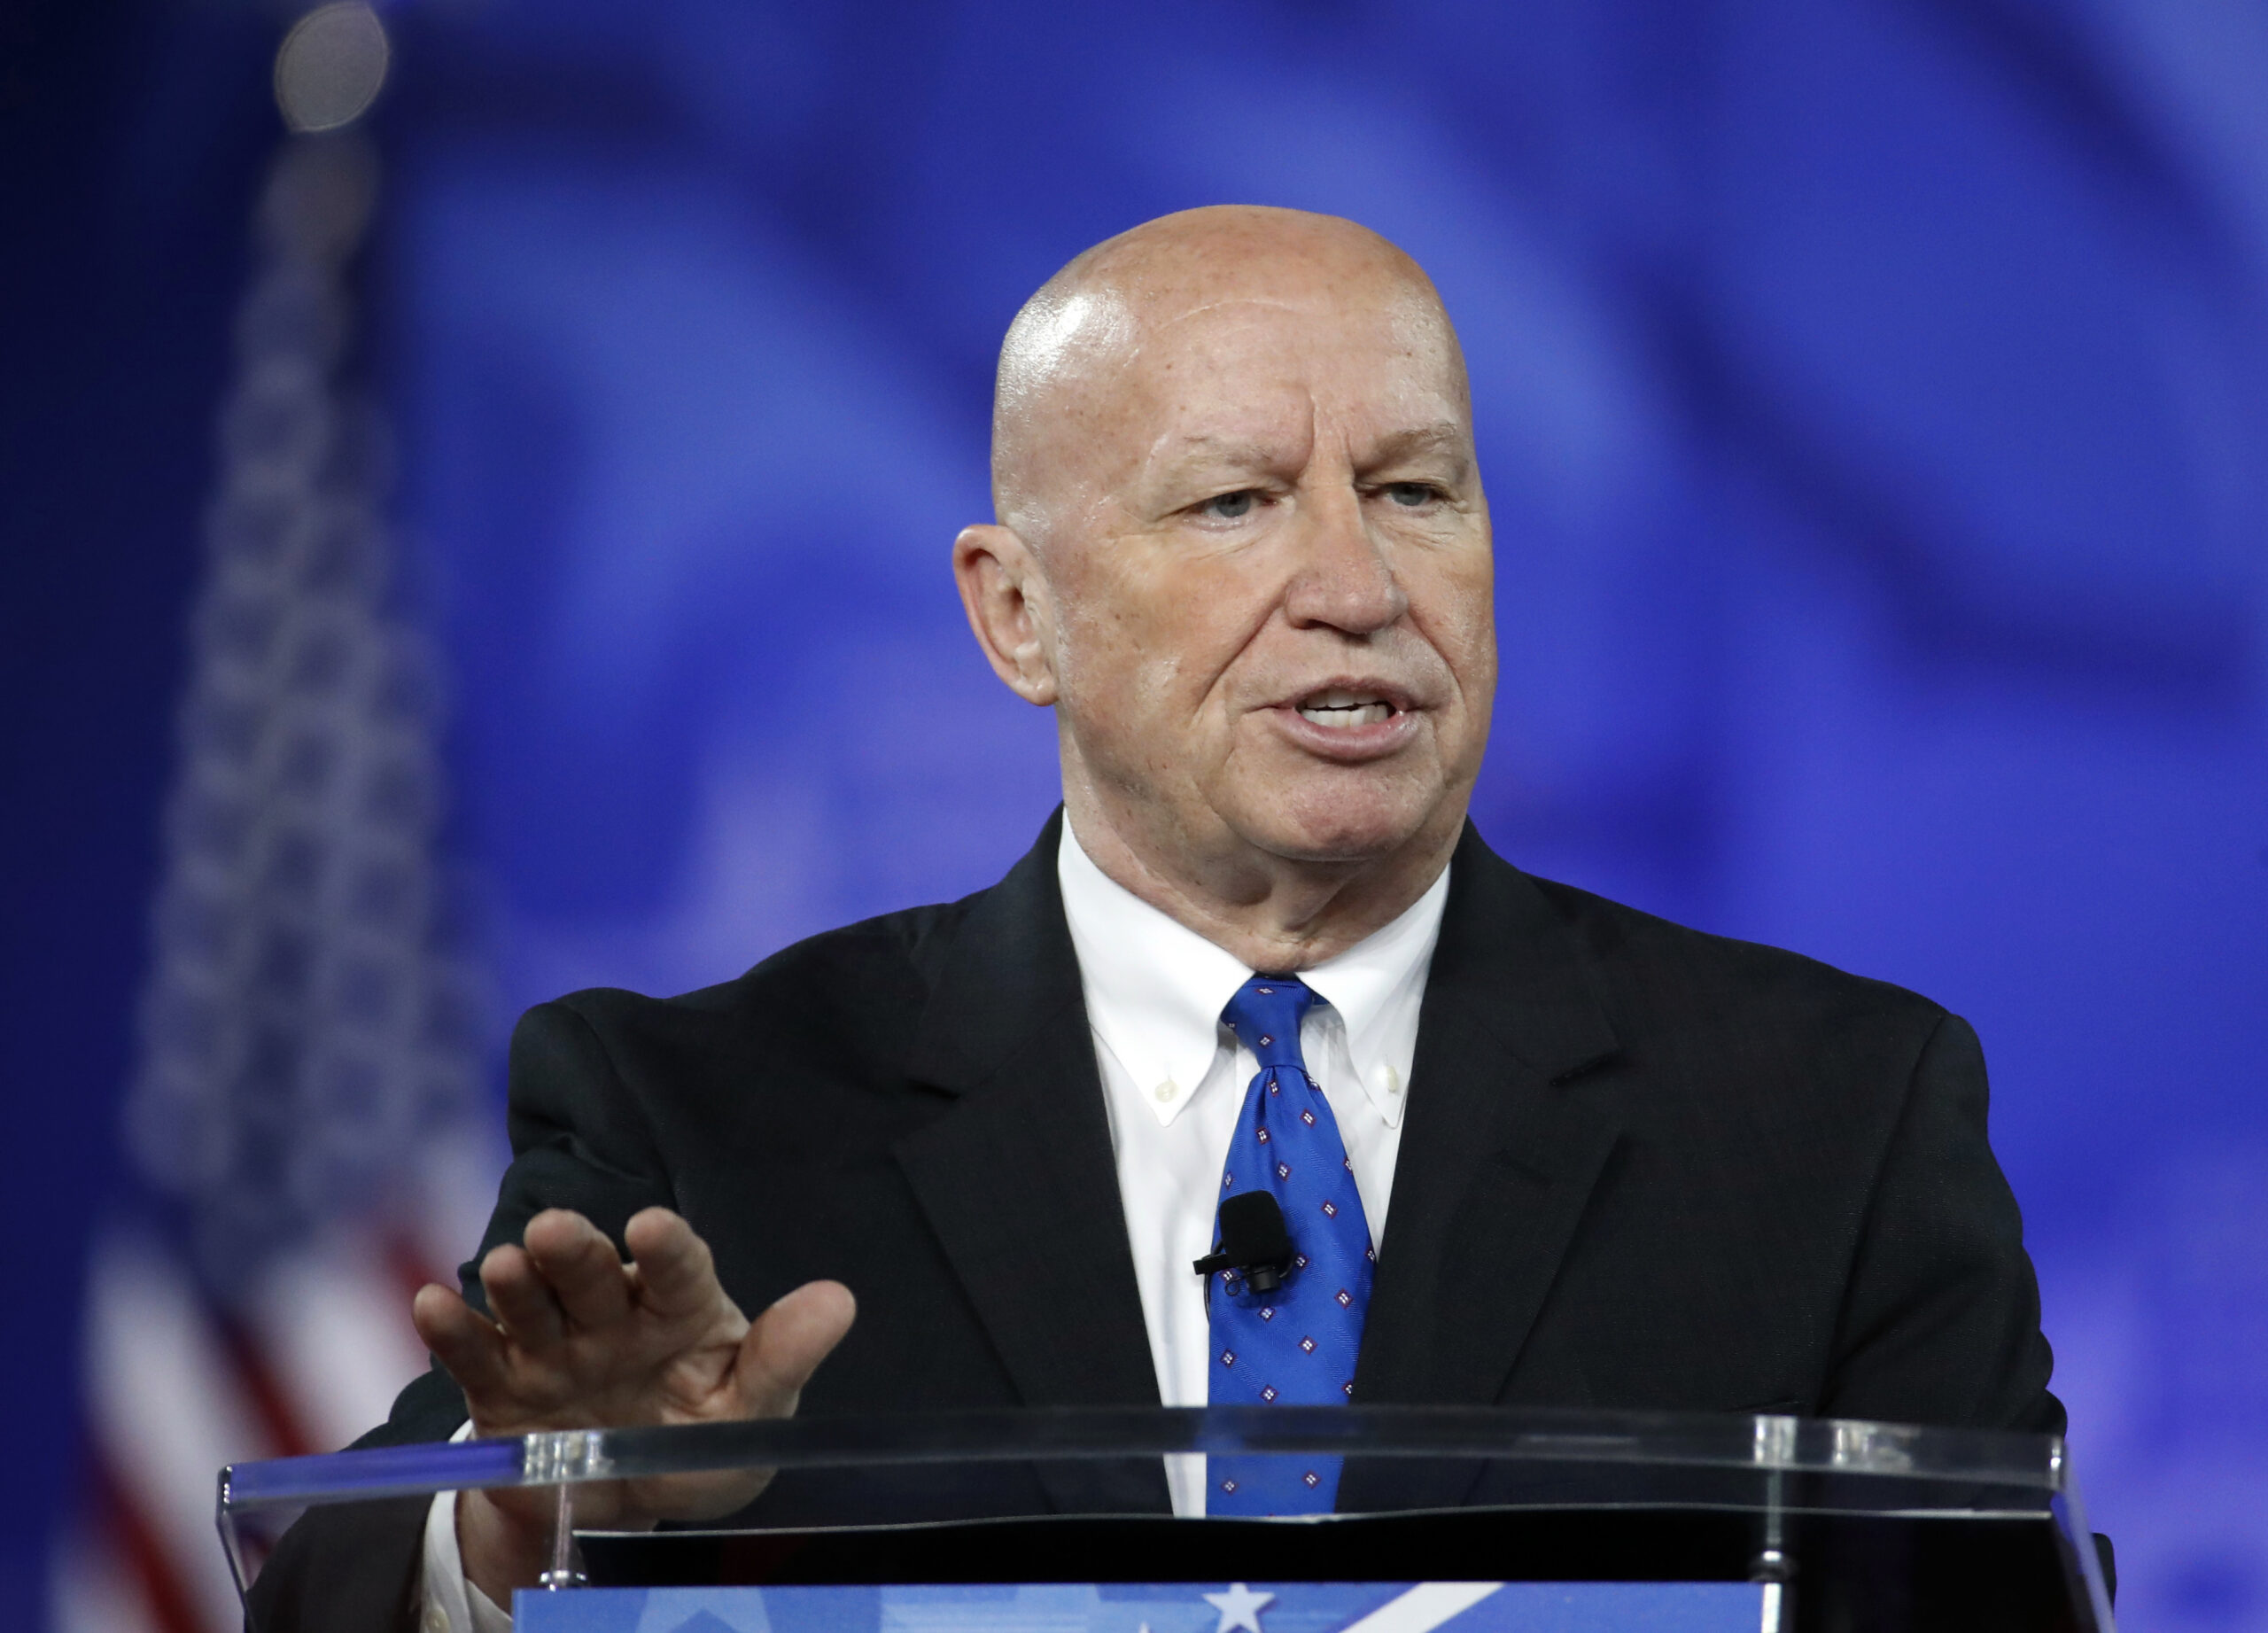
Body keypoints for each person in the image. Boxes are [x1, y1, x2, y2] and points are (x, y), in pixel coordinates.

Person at [248, 206, 2065, 1631]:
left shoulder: (1831, 1117)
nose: (1356, 583)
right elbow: (332, 1591)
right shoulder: (699, 1118)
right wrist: (541, 1516)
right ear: (1016, 613)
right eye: (1234, 501)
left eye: (1414, 490)